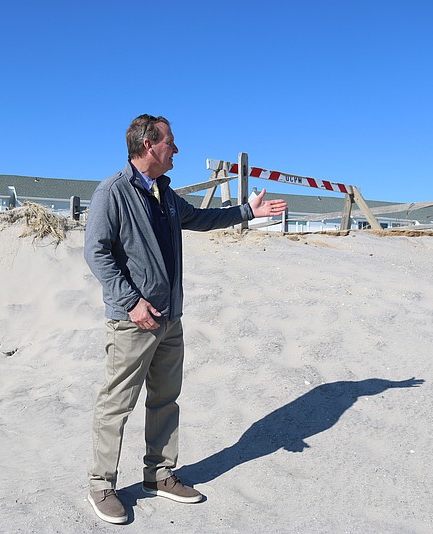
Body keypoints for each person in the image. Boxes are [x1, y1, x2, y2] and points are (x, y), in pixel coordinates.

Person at [84, 114, 287, 524]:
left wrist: (247, 209)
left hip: (169, 319)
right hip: (133, 322)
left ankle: (158, 475)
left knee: (165, 400)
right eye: (170, 143)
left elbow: (200, 219)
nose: (176, 150)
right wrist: (132, 303)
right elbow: (97, 253)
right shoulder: (113, 192)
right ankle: (101, 485)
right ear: (147, 145)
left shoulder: (163, 192)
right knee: (116, 404)